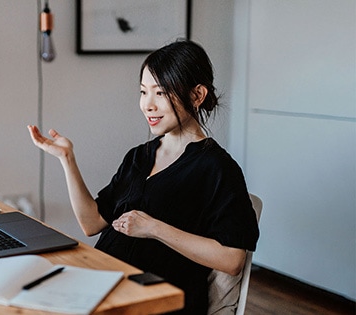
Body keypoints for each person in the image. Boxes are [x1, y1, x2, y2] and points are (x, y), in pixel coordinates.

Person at [27, 39, 259, 314]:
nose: (147, 105)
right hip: (104, 285)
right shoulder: (139, 156)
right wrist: (67, 160)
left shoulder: (217, 168)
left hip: (158, 302)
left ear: (197, 95)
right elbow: (92, 223)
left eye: (160, 93)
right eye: (143, 92)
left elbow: (232, 259)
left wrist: (154, 228)